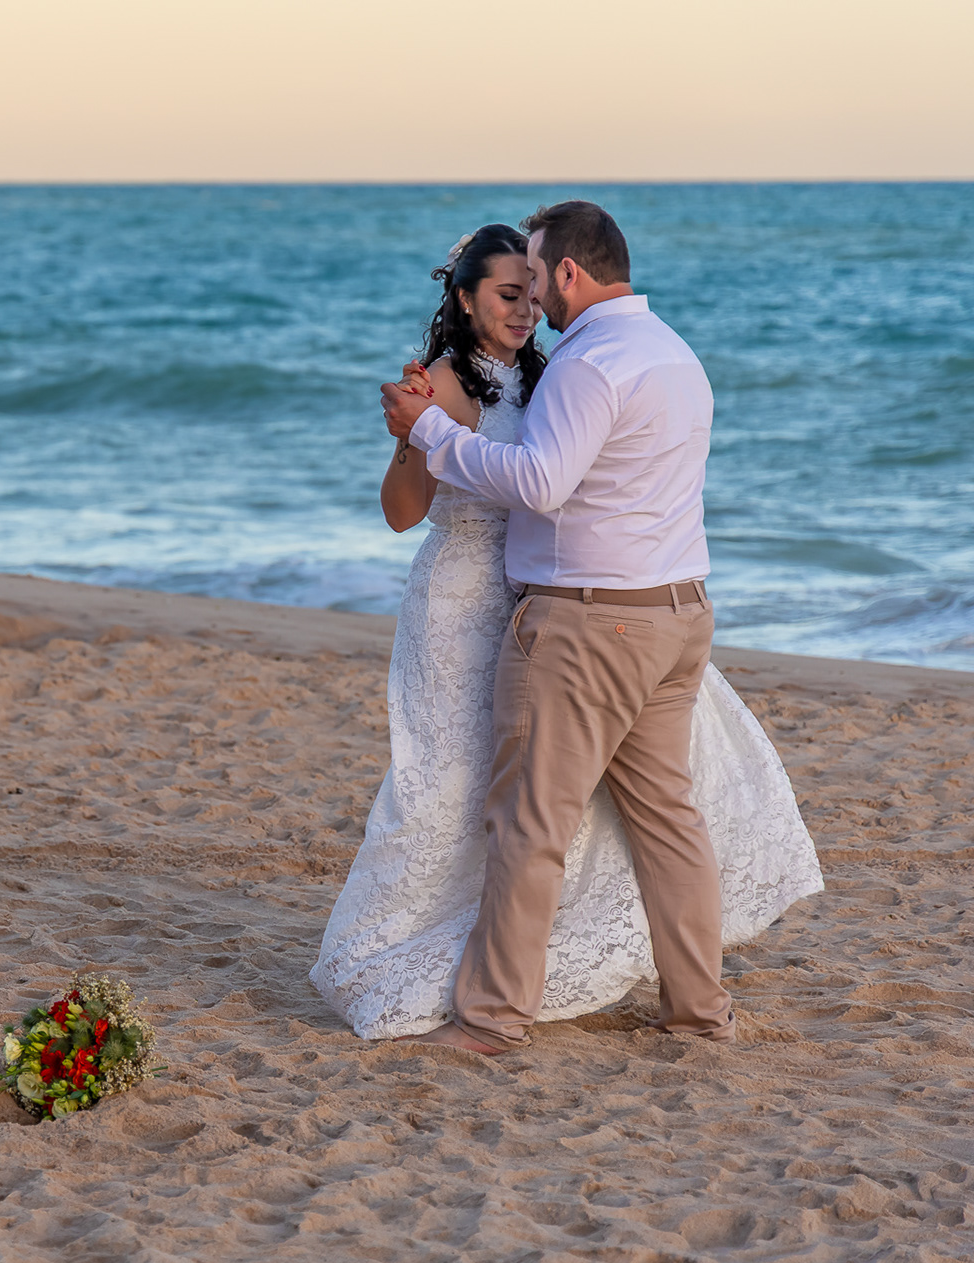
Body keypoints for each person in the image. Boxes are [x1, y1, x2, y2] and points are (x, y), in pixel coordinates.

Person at [311, 210, 822, 1050]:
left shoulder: (583, 364)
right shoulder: (673, 352)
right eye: (510, 291)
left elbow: (543, 482)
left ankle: (490, 1021)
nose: (531, 303)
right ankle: (699, 1013)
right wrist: (421, 432)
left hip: (589, 625)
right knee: (665, 820)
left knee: (530, 825)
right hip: (673, 613)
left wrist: (427, 430)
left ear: (571, 274)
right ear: (467, 299)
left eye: (537, 282)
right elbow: (413, 507)